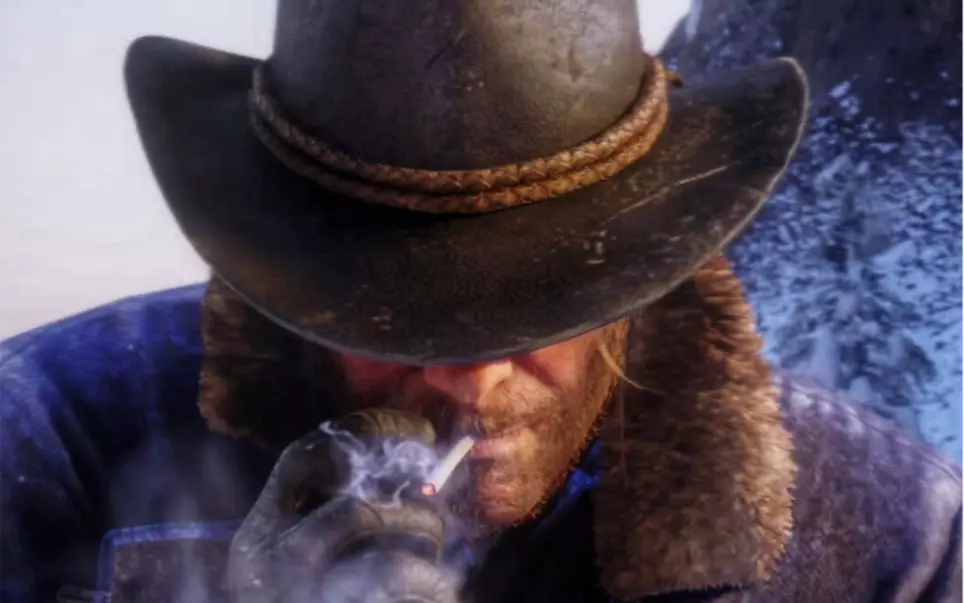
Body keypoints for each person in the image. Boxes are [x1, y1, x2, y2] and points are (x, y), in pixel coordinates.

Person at [0, 1, 959, 602]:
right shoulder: (45, 438)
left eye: (550, 298)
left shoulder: (895, 544)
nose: (475, 377)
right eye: (396, 308)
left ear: (641, 270)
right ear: (294, 269)